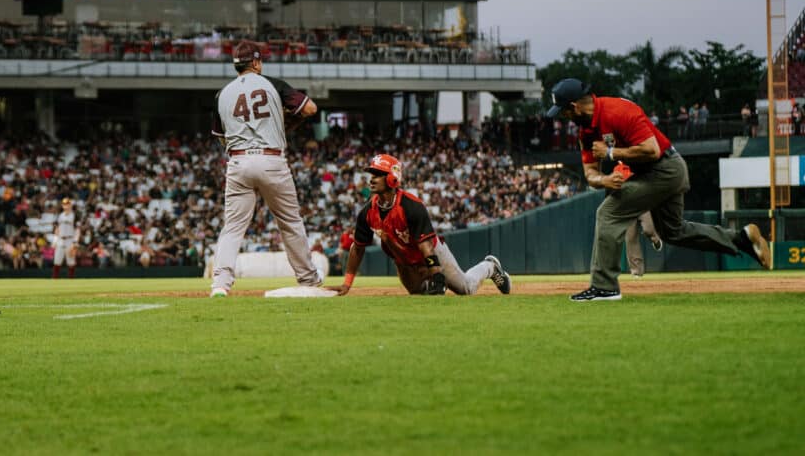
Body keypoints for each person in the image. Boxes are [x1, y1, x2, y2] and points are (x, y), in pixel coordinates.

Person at [546, 78, 771, 301]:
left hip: (665, 168)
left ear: (574, 107)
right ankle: (742, 240)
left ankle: (604, 287)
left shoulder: (617, 111)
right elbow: (590, 173)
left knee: (608, 213)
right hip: (651, 173)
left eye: (563, 112)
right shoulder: (586, 131)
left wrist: (612, 154)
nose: (563, 118)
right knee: (673, 231)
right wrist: (603, 180)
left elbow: (651, 150)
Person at [209, 40, 321, 297]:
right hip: (271, 160)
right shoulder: (272, 84)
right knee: (290, 222)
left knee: (233, 227)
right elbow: (311, 108)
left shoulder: (222, 94)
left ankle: (220, 284)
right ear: (256, 62)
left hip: (238, 162)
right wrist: (283, 122)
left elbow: (221, 136)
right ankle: (308, 280)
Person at [328, 154, 511, 296]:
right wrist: (347, 282)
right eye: (372, 174)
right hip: (404, 260)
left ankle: (490, 267)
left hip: (431, 251)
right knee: (419, 294)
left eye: (378, 174)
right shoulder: (367, 212)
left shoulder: (410, 206)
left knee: (465, 288)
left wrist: (436, 273)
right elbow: (358, 248)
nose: (372, 179)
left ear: (392, 178)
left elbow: (426, 245)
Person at [625, 212, 662, 278]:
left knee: (648, 230)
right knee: (631, 238)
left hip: (643, 205)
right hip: (628, 209)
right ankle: (637, 272)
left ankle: (655, 239)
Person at [52, 197, 79, 279]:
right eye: (64, 204)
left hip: (70, 240)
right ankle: (54, 280)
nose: (66, 206)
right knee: (57, 261)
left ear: (70, 205)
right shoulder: (60, 216)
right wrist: (55, 240)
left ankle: (71, 280)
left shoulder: (75, 215)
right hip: (60, 240)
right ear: (62, 206)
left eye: (67, 204)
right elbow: (57, 229)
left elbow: (78, 230)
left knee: (71, 262)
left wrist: (75, 242)